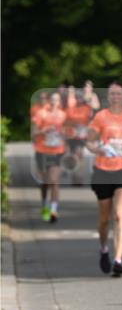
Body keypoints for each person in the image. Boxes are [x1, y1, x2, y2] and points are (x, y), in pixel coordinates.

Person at [86, 83, 122, 277]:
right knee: (104, 219)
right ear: (108, 97)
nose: (115, 97)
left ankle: (118, 260)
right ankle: (104, 249)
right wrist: (98, 149)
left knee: (119, 215)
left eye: (119, 94)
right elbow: (89, 141)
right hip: (102, 170)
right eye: (112, 94)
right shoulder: (100, 117)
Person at [32, 90, 66, 222]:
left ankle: (53, 209)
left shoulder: (64, 115)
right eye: (52, 99)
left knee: (54, 180)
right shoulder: (41, 113)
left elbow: (68, 132)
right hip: (42, 150)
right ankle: (44, 203)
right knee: (45, 182)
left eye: (57, 100)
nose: (54, 102)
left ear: (60, 102)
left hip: (57, 150)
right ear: (49, 101)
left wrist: (63, 134)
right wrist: (43, 130)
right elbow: (34, 132)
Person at [63, 86, 93, 184]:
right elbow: (64, 122)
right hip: (70, 136)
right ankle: (73, 175)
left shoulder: (87, 109)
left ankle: (79, 177)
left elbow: (91, 122)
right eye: (77, 97)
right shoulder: (70, 109)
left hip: (82, 136)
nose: (79, 99)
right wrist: (73, 125)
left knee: (79, 155)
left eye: (81, 97)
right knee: (72, 157)